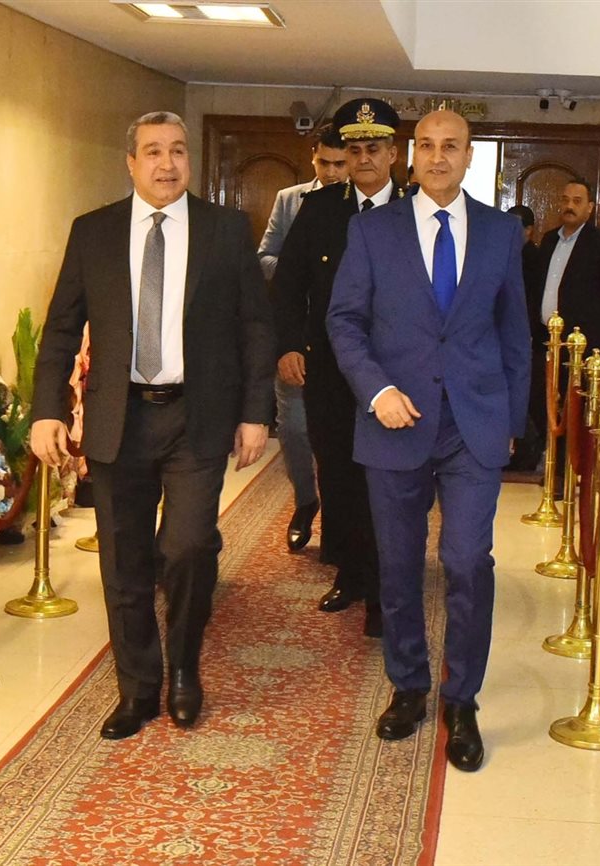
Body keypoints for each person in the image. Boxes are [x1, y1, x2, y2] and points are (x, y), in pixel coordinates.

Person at [30, 111, 275, 740]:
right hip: (121, 417)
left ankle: (185, 668)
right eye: (154, 152)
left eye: (178, 151)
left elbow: (255, 326)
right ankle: (137, 688)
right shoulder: (94, 232)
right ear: (131, 162)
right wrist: (47, 409)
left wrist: (256, 413)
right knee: (124, 561)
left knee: (188, 547)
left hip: (198, 415)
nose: (167, 164)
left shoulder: (226, 230)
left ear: (190, 160)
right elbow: (61, 328)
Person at [327, 110, 531, 772]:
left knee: (468, 561)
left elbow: (515, 334)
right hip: (396, 420)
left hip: (474, 424)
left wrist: (511, 424)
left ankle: (462, 699)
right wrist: (377, 391)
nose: (438, 157)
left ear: (470, 156)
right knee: (398, 563)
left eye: (451, 146)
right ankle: (410, 685)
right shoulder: (372, 229)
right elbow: (344, 321)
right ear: (410, 154)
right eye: (426, 145)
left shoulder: (501, 232)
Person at [272, 97, 406, 639]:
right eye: (355, 150)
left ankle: (384, 589)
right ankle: (350, 574)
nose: (363, 158)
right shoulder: (321, 209)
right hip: (329, 369)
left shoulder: (414, 211)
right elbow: (289, 284)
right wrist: (289, 345)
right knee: (339, 475)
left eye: (374, 148)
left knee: (388, 481)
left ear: (393, 154)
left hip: (394, 374)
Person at [257, 126, 348, 554]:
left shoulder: (363, 203)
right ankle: (306, 500)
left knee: (340, 436)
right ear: (313, 158)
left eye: (339, 164)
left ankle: (340, 518)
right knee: (293, 428)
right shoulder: (290, 199)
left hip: (345, 338)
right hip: (297, 332)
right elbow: (265, 256)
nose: (331, 172)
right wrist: (301, 272)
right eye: (324, 163)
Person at [530, 179, 600, 358]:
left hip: (582, 345)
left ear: (589, 207)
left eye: (577, 201)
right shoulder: (549, 239)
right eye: (565, 200)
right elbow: (537, 287)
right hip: (545, 341)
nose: (569, 206)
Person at [506, 204, 543, 473]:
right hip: (508, 337)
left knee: (528, 398)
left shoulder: (533, 259)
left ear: (529, 231)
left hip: (528, 336)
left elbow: (531, 301)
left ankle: (528, 452)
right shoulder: (503, 255)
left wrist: (527, 333)